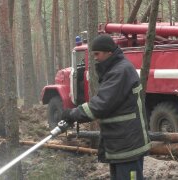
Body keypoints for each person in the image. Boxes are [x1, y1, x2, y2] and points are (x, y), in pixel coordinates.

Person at [61, 34, 151, 180]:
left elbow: (101, 104)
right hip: (121, 142)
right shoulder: (116, 69)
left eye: (97, 54)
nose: (95, 58)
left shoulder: (120, 71)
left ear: (109, 52)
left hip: (127, 143)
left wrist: (73, 114)